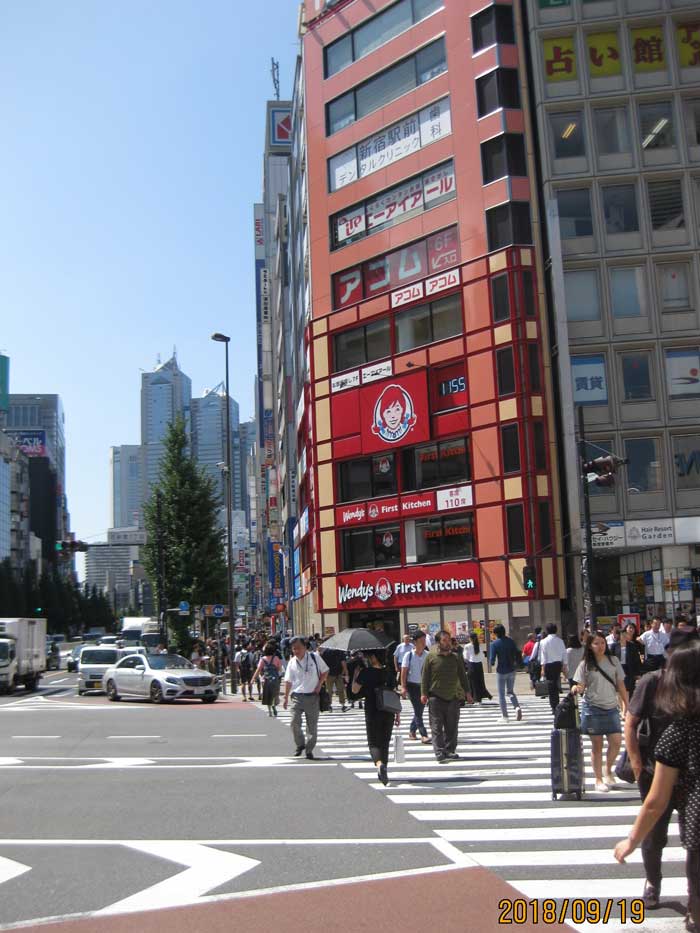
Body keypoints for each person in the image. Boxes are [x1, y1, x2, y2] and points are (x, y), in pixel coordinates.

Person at [614, 636, 700, 932]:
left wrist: (629, 841)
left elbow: (654, 802)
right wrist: (637, 765)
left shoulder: (681, 729)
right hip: (655, 767)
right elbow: (631, 721)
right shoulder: (651, 683)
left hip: (681, 783)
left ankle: (694, 906)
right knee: (657, 834)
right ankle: (653, 881)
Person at [573, 633, 629, 793]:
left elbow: (621, 685)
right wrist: (576, 688)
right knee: (597, 745)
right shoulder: (585, 664)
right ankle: (598, 779)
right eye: (596, 643)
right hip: (592, 708)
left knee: (617, 742)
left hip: (611, 707)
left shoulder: (614, 661)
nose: (600, 646)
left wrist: (627, 706)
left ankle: (608, 768)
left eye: (602, 643)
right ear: (590, 646)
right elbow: (581, 686)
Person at [421, 630, 470, 763]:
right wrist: (423, 693)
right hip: (435, 697)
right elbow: (425, 676)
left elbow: (462, 676)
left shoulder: (455, 657)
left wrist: (468, 692)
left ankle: (449, 750)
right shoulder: (431, 657)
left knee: (452, 727)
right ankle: (439, 752)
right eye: (444, 640)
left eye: (449, 640)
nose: (448, 643)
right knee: (436, 727)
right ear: (438, 642)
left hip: (453, 697)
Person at [352, 650, 400, 785]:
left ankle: (379, 765)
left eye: (369, 656)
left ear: (374, 657)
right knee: (385, 743)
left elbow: (355, 690)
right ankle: (384, 771)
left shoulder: (366, 672)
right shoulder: (389, 672)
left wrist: (356, 674)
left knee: (373, 742)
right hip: (388, 710)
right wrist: (397, 713)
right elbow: (394, 692)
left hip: (372, 710)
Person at [282, 635, 328, 759]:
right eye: (293, 648)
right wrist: (285, 697)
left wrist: (319, 684)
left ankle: (309, 750)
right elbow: (288, 681)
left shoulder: (315, 657)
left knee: (311, 726)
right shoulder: (292, 661)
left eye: (298, 648)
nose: (296, 651)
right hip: (297, 696)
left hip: (312, 696)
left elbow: (325, 671)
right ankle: (300, 744)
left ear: (305, 647)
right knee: (294, 722)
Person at [401, 631, 430, 742]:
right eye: (421, 640)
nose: (424, 643)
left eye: (424, 640)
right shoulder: (408, 655)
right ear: (416, 642)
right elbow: (404, 672)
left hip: (424, 687)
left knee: (419, 711)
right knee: (418, 710)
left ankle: (412, 731)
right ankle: (424, 734)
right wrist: (403, 687)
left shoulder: (427, 655)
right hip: (412, 686)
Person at [489, 624, 523, 723]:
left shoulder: (494, 644)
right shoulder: (511, 641)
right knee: (510, 692)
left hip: (501, 671)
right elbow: (516, 653)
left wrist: (491, 661)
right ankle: (517, 707)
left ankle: (505, 716)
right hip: (512, 670)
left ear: (496, 634)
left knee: (501, 694)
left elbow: (492, 660)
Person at [539, 623, 567, 714]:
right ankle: (556, 704)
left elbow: (543, 656)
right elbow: (564, 653)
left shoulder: (543, 642)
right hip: (558, 664)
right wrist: (564, 665)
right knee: (556, 683)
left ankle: (553, 706)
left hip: (548, 665)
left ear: (547, 631)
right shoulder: (560, 641)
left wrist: (542, 668)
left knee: (551, 686)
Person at [251, 642, 283, 717]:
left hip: (265, 680)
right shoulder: (276, 658)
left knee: (267, 695)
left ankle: (269, 711)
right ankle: (274, 706)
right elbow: (280, 669)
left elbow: (258, 669)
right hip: (275, 679)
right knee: (275, 694)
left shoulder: (263, 659)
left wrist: (253, 679)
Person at [616, 622, 644, 698]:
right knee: (620, 689)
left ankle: (628, 705)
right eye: (629, 628)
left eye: (633, 628)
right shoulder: (615, 645)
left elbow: (637, 659)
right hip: (619, 668)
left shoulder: (633, 645)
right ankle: (623, 705)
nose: (631, 630)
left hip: (630, 669)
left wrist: (638, 673)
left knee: (629, 688)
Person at [464, 633, 492, 703]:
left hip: (471, 664)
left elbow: (465, 657)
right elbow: (482, 655)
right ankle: (479, 697)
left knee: (471, 682)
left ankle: (472, 697)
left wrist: (467, 663)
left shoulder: (467, 646)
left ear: (470, 638)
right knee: (480, 681)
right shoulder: (479, 645)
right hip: (479, 665)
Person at [320, 647, 348, 712]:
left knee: (329, 690)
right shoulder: (340, 651)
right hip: (338, 673)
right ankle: (343, 705)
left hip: (328, 674)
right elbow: (343, 663)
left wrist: (322, 675)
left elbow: (322, 664)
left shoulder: (325, 652)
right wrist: (345, 673)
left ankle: (329, 706)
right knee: (341, 689)